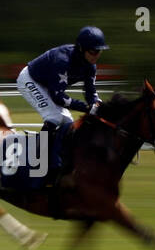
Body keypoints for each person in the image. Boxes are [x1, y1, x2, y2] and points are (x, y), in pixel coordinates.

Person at [17, 26, 108, 181]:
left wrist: (97, 105)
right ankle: (33, 161)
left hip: (48, 85)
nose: (96, 55)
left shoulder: (90, 66)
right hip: (30, 79)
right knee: (54, 116)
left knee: (68, 123)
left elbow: (90, 92)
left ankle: (57, 162)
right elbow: (58, 97)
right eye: (93, 51)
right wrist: (86, 108)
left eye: (99, 51)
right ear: (81, 49)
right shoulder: (62, 60)